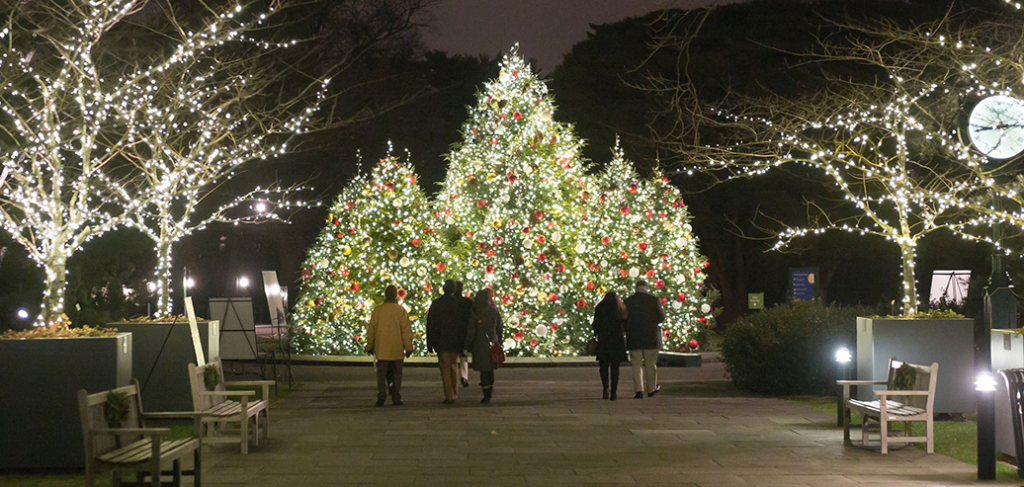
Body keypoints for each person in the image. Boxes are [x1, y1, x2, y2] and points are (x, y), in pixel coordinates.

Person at [364, 285, 414, 407]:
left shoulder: (378, 310)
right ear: (396, 295)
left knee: (381, 373)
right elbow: (406, 331)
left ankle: (381, 395)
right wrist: (408, 347)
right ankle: (396, 396)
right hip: (397, 348)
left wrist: (370, 345)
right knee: (397, 373)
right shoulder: (401, 311)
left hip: (382, 348)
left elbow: (372, 330)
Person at [623, 280, 665, 399]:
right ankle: (651, 389)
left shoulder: (628, 301)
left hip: (634, 337)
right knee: (650, 364)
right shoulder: (653, 300)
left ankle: (638, 390)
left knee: (636, 364)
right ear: (646, 287)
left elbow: (624, 319)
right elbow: (661, 317)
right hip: (651, 336)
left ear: (636, 288)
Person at [426, 280, 465, 403]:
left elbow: (431, 324)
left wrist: (430, 342)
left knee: (445, 368)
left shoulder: (436, 304)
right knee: (454, 366)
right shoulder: (459, 305)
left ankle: (449, 395)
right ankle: (454, 391)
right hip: (455, 341)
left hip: (441, 341)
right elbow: (463, 326)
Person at [464, 289, 503, 403]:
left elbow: (471, 330)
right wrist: (498, 341)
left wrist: (467, 346)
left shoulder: (475, 311)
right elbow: (499, 328)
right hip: (492, 343)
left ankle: (486, 392)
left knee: (484, 370)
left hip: (479, 344)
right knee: (490, 368)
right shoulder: (494, 310)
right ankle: (489, 389)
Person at [591, 291, 628, 401]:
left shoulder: (600, 307)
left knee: (603, 366)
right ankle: (614, 392)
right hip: (617, 341)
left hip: (604, 340)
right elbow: (626, 323)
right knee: (615, 368)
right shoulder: (620, 307)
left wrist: (597, 332)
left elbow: (596, 324)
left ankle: (605, 388)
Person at [455, 281, 473, 388]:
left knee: (453, 357)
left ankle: (455, 377)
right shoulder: (467, 302)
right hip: (464, 332)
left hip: (453, 332)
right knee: (464, 356)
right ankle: (464, 377)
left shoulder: (451, 302)